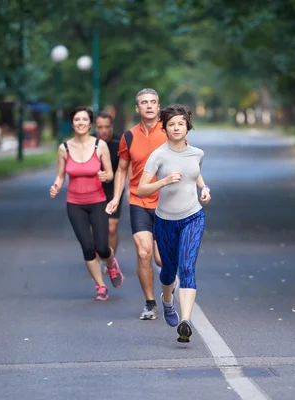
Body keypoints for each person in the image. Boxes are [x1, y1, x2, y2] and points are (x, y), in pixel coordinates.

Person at [137, 103, 211, 343]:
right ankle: (167, 302)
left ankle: (185, 321)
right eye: (171, 124)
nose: (176, 128)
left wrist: (204, 187)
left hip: (193, 216)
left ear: (187, 127)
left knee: (187, 267)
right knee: (168, 271)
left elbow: (194, 172)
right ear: (165, 128)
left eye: (181, 123)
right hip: (165, 220)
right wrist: (164, 181)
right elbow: (141, 189)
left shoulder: (197, 153)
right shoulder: (158, 155)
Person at [106, 88, 173, 320]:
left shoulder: (170, 131)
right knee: (143, 253)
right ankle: (150, 303)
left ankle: (166, 293)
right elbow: (121, 169)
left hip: (167, 203)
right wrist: (116, 198)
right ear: (137, 108)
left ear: (159, 105)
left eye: (153, 102)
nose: (149, 106)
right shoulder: (129, 136)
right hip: (139, 201)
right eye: (144, 102)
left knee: (160, 258)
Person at [49, 106, 124, 301]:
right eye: (76, 120)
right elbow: (60, 176)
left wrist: (105, 175)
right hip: (75, 204)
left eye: (84, 120)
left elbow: (110, 173)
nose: (80, 123)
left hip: (98, 202)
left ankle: (110, 263)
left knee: (102, 246)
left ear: (90, 124)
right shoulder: (64, 148)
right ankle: (100, 286)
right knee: (88, 247)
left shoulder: (100, 146)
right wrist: (56, 186)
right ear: (72, 123)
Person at [94, 111, 123, 272]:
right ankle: (96, 258)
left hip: (114, 189)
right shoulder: (89, 142)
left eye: (107, 127)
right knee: (95, 228)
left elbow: (125, 168)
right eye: (100, 127)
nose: (103, 131)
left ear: (111, 126)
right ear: (95, 127)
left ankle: (110, 261)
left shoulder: (120, 142)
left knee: (112, 228)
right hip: (93, 189)